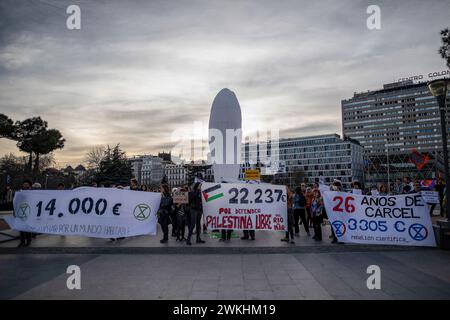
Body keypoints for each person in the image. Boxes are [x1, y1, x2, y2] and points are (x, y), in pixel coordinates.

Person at [17, 180, 33, 247]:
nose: (25, 185)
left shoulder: (33, 193)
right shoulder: (20, 192)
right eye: (24, 184)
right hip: (21, 211)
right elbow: (16, 202)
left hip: (29, 211)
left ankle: (28, 241)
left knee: (27, 227)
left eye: (26, 184)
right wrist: (15, 211)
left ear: (29, 185)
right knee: (21, 227)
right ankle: (22, 241)